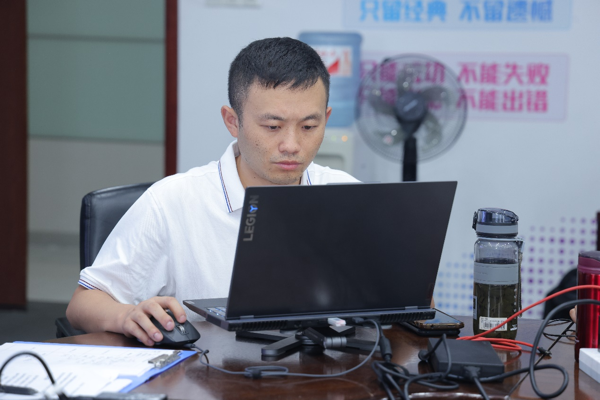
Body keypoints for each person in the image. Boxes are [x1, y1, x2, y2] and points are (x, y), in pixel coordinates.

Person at [66, 37, 358, 347]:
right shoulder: (172, 201)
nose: (292, 145)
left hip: (329, 370)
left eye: (308, 127)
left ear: (325, 119)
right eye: (273, 127)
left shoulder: (349, 198)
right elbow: (82, 304)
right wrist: (126, 315)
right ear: (233, 121)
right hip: (208, 372)